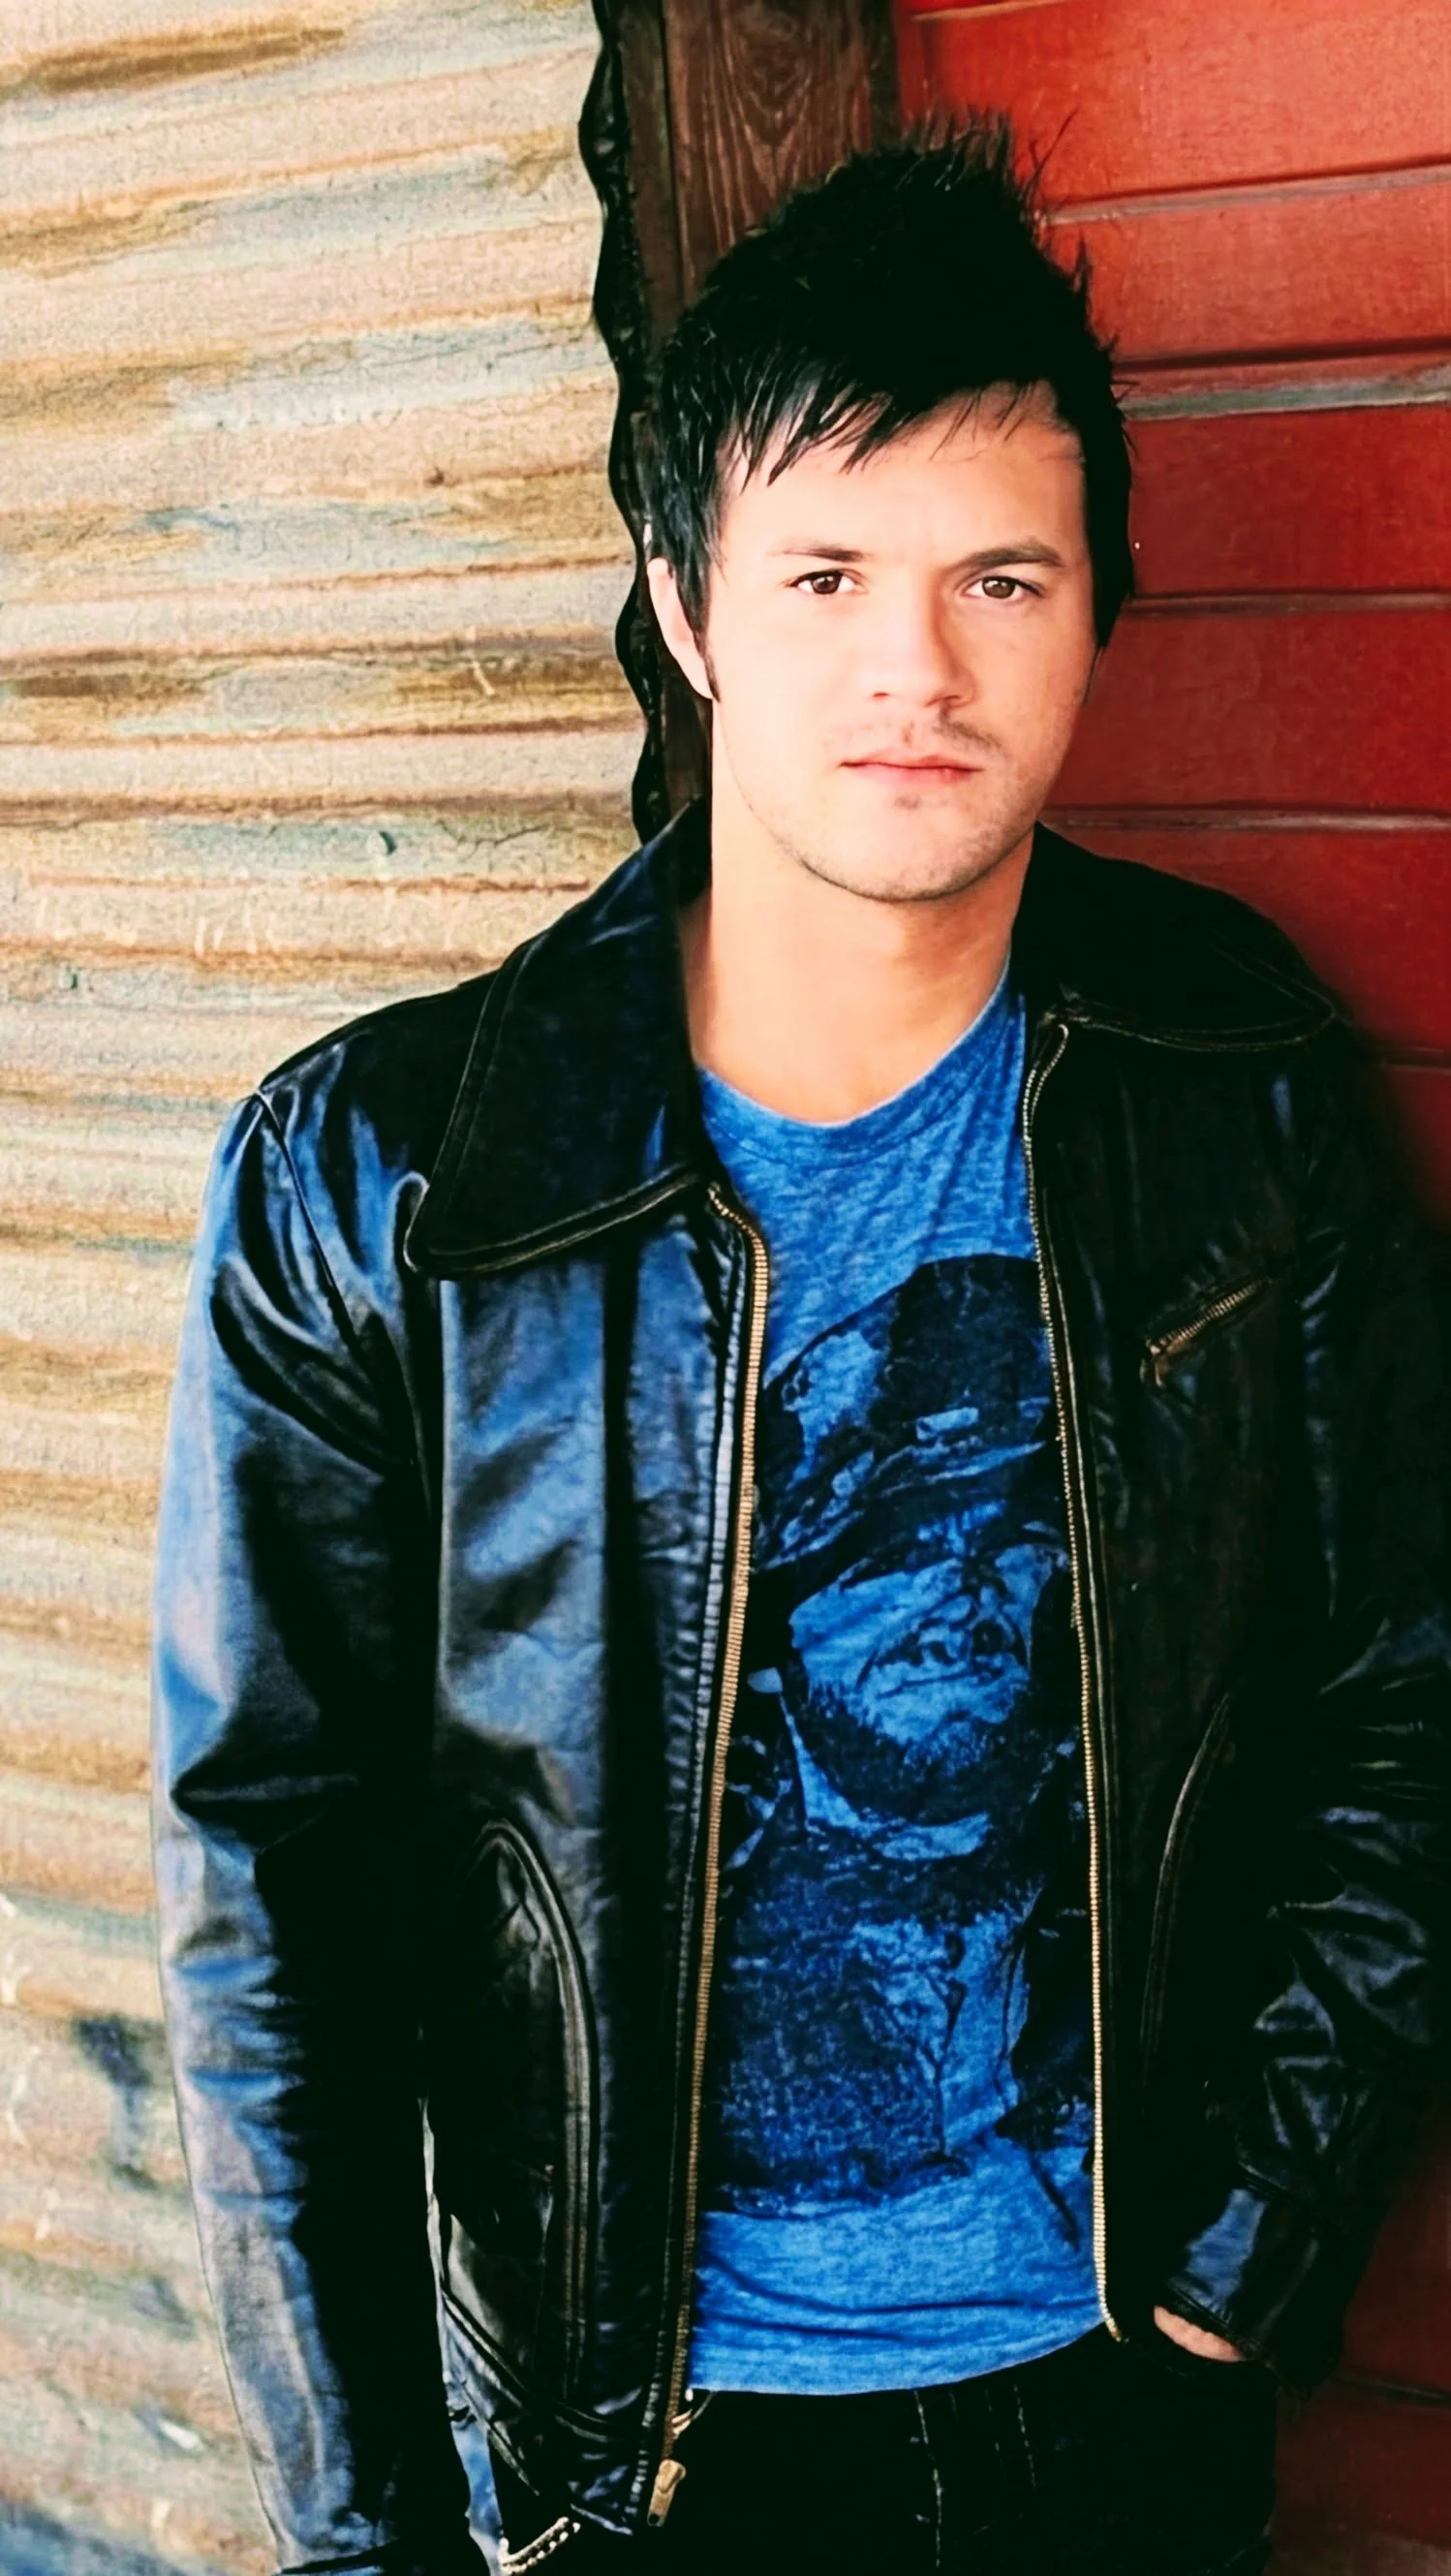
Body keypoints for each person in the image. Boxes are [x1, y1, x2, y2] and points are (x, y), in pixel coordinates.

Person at [152, 124, 1450, 2576]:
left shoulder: (1224, 1077)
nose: (914, 670)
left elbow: (1400, 1682)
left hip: (1108, 2414)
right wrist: (361, 2530)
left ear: (1097, 614)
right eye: (826, 574)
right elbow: (271, 1901)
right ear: (687, 609)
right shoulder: (389, 1181)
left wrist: (1234, 2265)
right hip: (632, 2464)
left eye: (998, 578)